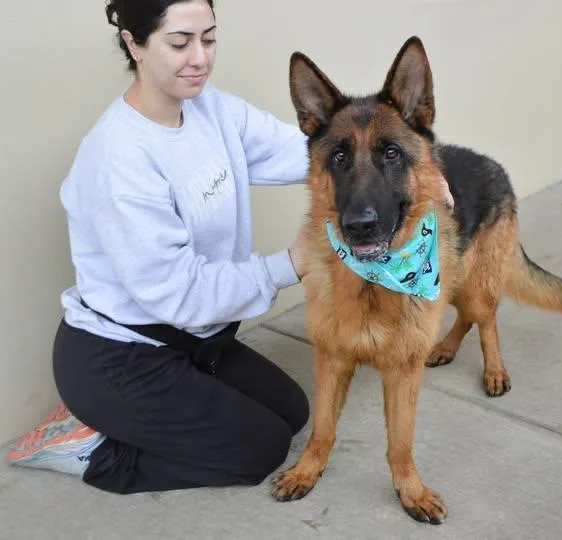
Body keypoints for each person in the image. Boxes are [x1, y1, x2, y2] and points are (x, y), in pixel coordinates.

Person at [6, 0, 454, 494]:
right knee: (256, 452)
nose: (199, 57)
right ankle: (88, 446)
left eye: (209, 38)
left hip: (195, 339)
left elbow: (313, 149)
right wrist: (292, 263)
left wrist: (415, 171)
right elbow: (178, 294)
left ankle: (145, 418)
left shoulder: (208, 107)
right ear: (134, 44)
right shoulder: (117, 159)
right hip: (121, 353)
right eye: (179, 42)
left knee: (291, 412)